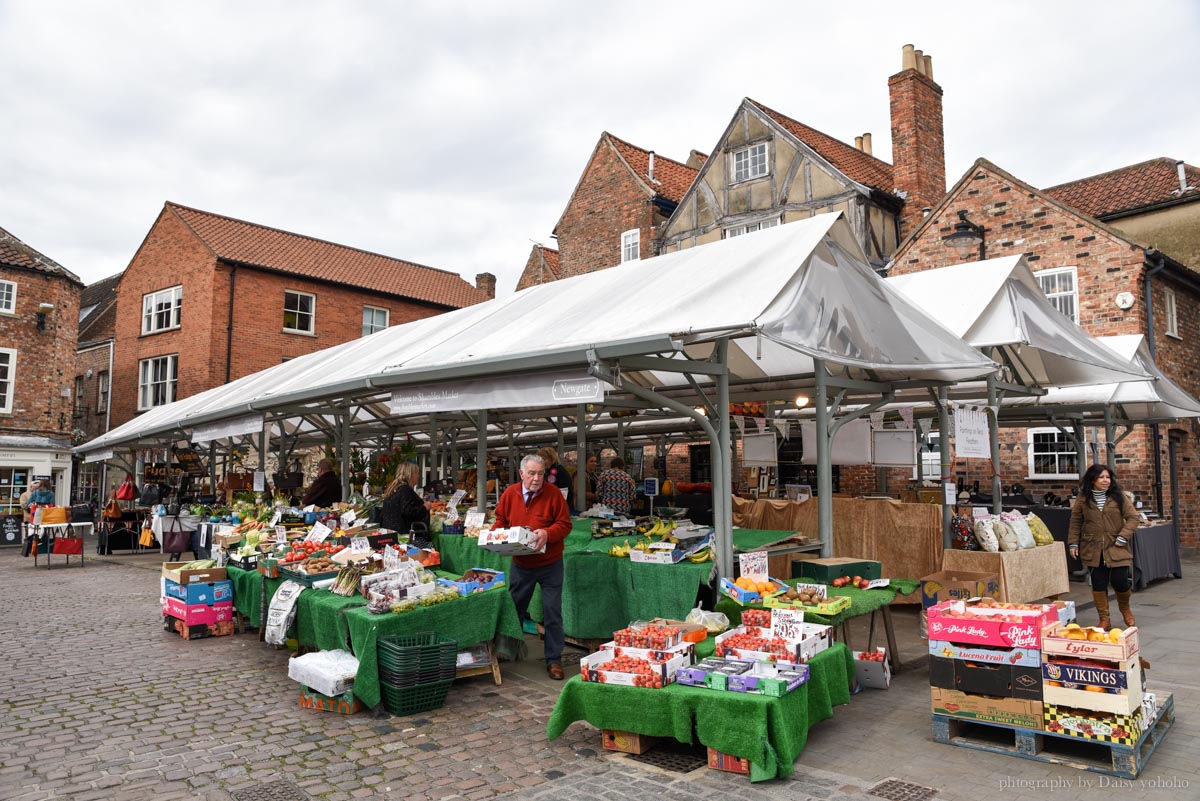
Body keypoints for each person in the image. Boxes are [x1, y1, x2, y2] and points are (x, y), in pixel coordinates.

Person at [493, 453, 572, 680]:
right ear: (521, 474)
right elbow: (501, 520)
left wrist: (548, 533)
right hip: (521, 563)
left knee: (552, 611)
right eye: (532, 473)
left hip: (550, 563)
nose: (537, 478)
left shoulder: (554, 494)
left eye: (540, 473)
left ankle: (554, 660)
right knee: (514, 608)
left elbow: (565, 524)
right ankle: (508, 650)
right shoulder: (511, 493)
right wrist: (499, 535)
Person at [1068, 465, 1140, 632]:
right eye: (1101, 477)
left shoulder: (1119, 497)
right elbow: (1075, 521)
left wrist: (1123, 536)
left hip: (1116, 546)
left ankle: (1125, 609)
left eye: (1107, 477)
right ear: (1092, 479)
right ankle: (1104, 619)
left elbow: (1133, 518)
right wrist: (1073, 543)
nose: (1105, 480)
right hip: (1093, 548)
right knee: (1099, 583)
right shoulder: (1083, 498)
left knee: (1120, 582)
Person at [379, 462, 430, 538]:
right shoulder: (405, 489)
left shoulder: (393, 488)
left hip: (390, 532)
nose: (418, 476)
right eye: (417, 473)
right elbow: (408, 512)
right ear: (411, 475)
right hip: (402, 535)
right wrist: (425, 507)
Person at [537, 447, 575, 514]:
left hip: (560, 509)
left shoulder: (558, 471)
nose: (541, 462)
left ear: (551, 458)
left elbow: (563, 493)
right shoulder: (548, 472)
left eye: (544, 459)